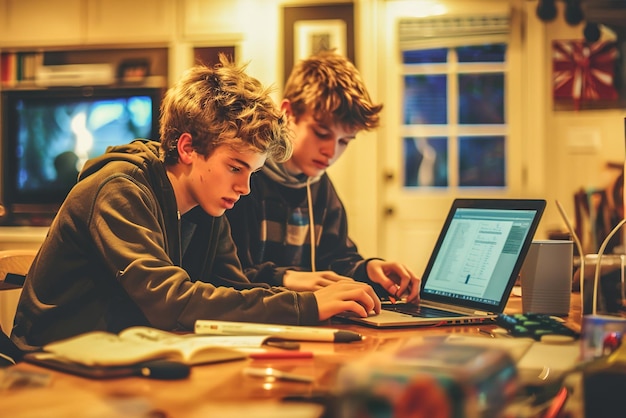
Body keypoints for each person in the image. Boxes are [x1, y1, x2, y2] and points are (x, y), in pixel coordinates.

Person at [11, 55, 381, 352]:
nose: (245, 188)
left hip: (127, 356)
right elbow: (170, 301)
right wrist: (307, 306)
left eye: (251, 172)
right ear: (188, 148)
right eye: (235, 167)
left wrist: (316, 302)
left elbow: (238, 293)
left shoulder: (208, 206)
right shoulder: (118, 190)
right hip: (51, 366)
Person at [226, 51, 420, 302]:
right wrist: (285, 278)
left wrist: (368, 269)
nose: (331, 151)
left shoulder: (321, 188)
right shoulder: (244, 178)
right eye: (321, 133)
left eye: (345, 141)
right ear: (287, 113)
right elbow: (226, 272)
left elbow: (336, 259)